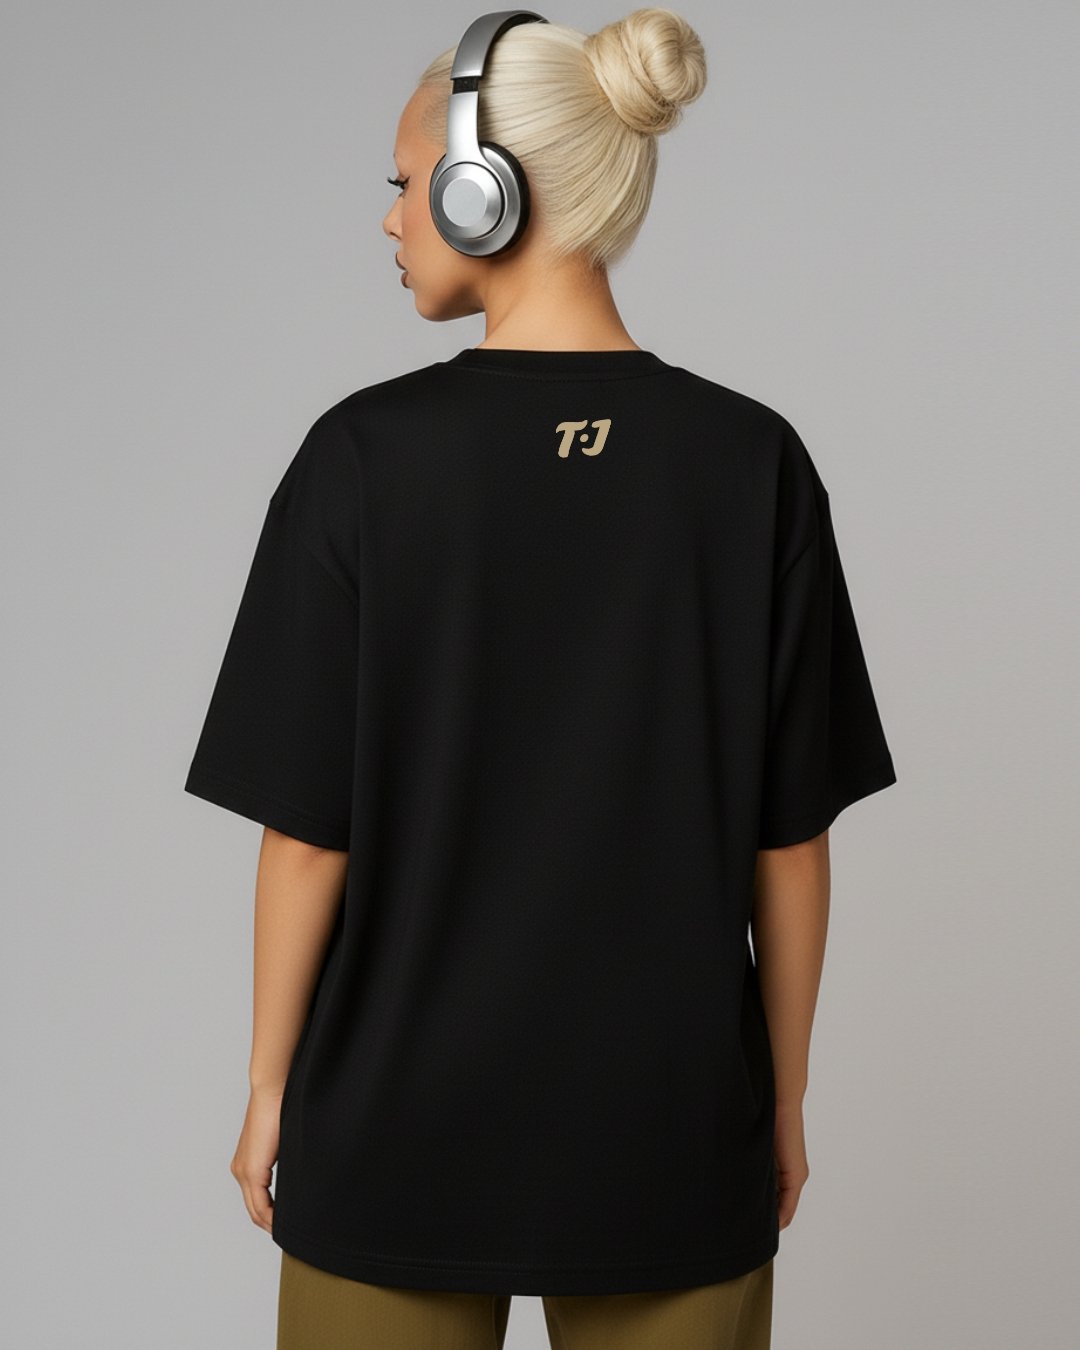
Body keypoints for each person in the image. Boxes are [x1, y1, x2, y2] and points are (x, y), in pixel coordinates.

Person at [183, 9, 898, 1349]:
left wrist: (271, 1086)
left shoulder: (360, 460)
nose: (391, 216)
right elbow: (790, 842)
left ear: (484, 187)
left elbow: (308, 837)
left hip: (392, 1128)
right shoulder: (753, 465)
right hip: (673, 1137)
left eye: (407, 181)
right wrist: (785, 1102)